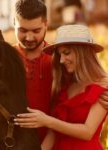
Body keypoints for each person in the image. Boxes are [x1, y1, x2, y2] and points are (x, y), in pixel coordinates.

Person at [14, 24, 108, 150]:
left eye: (66, 53)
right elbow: (52, 133)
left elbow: (87, 132)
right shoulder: (65, 86)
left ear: (82, 53)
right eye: (60, 55)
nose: (61, 60)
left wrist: (47, 121)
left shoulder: (101, 87)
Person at [13, 0, 52, 143]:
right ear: (14, 23)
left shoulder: (59, 58)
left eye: (36, 31)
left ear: (46, 24)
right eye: (22, 30)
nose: (29, 38)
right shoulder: (5, 57)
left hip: (52, 143)